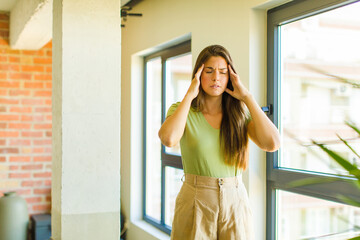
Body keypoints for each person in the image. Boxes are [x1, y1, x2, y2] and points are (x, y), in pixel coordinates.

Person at [158, 45, 280, 240]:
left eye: (223, 72)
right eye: (209, 71)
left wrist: (247, 97)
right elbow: (168, 138)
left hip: (235, 201)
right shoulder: (182, 109)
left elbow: (272, 143)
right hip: (195, 198)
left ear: (231, 77)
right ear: (198, 75)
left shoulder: (240, 114)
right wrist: (190, 95)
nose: (216, 78)